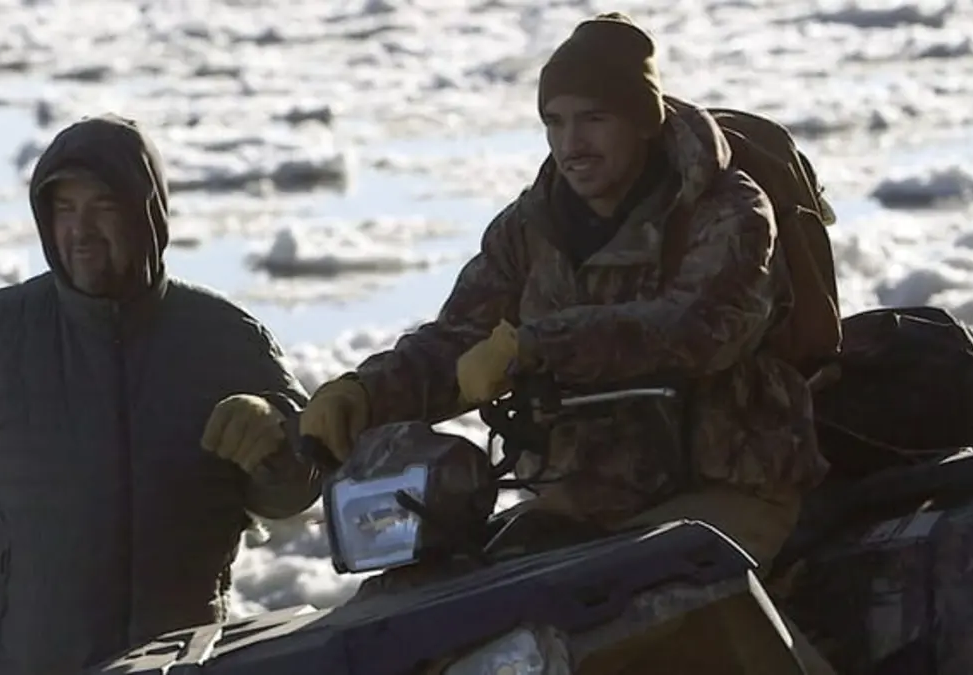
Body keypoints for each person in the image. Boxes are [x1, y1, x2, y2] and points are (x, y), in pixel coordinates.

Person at [292, 13, 838, 675]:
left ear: (644, 118)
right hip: (581, 499)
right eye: (554, 122)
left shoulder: (725, 208)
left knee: (694, 607)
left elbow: (700, 328)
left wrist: (538, 346)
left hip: (726, 488)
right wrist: (365, 392)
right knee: (438, 622)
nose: (570, 143)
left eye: (592, 119)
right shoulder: (530, 228)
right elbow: (459, 339)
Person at [0, 113, 321, 675]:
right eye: (64, 209)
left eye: (103, 206)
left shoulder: (225, 339)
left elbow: (299, 488)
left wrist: (275, 441)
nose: (80, 229)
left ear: (147, 215)